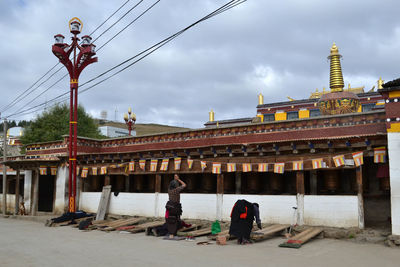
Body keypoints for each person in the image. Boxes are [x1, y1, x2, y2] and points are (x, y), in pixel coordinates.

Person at [165, 174, 186, 240]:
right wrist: (178, 179)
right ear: (175, 186)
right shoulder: (176, 190)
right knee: (176, 220)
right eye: (176, 185)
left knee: (170, 220)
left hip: (169, 206)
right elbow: (184, 185)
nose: (177, 185)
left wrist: (174, 180)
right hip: (175, 207)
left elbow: (170, 185)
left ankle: (171, 233)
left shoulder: (169, 190)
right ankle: (173, 233)